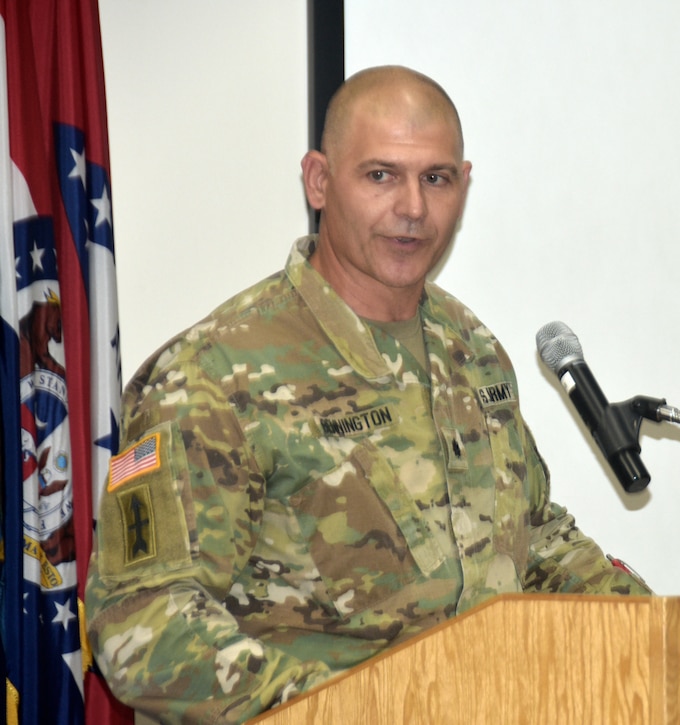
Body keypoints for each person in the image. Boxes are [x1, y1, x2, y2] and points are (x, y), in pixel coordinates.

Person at [85, 65, 651, 724]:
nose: (412, 208)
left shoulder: (470, 348)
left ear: (464, 186)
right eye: (381, 175)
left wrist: (657, 630)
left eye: (435, 178)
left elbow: (533, 538)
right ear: (319, 181)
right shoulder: (212, 374)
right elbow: (141, 624)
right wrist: (345, 711)